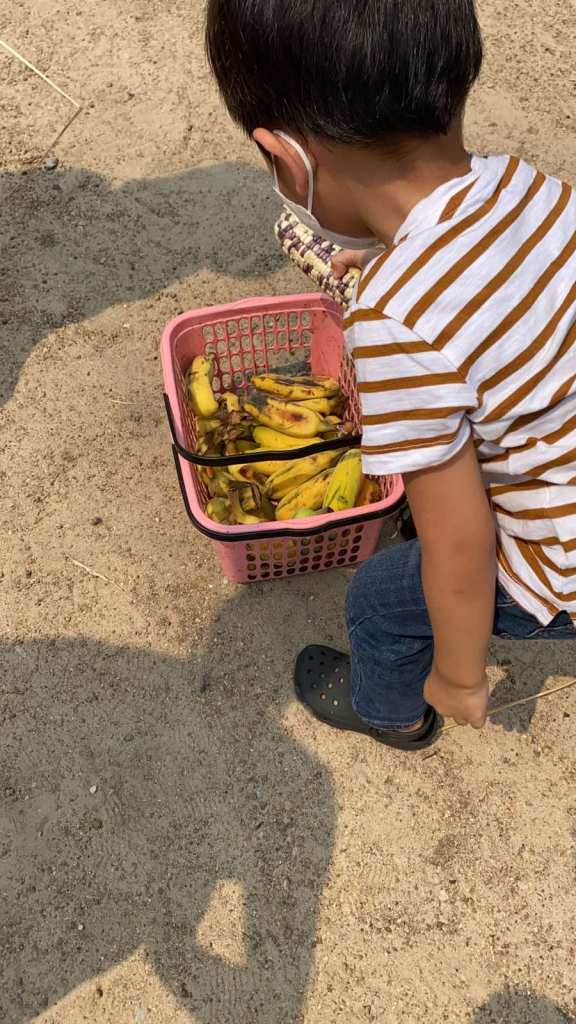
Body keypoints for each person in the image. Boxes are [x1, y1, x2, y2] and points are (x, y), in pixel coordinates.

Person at [206, 0, 576, 750]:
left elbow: (461, 544)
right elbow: (495, 292)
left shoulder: (395, 326)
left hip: (555, 561)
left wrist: (464, 674)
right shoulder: (538, 190)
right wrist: (400, 263)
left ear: (287, 159)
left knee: (380, 598)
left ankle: (393, 712)